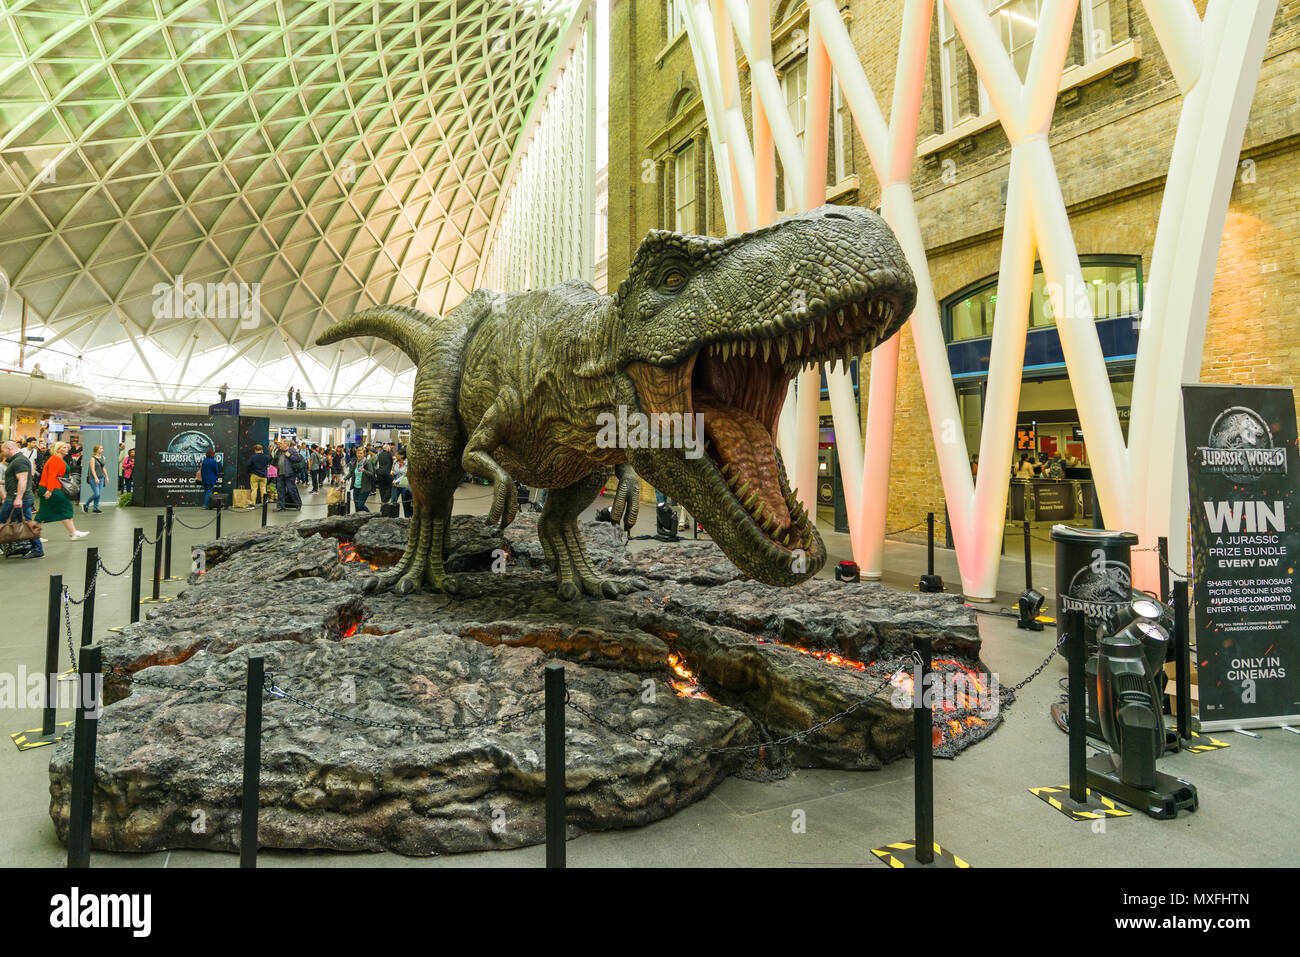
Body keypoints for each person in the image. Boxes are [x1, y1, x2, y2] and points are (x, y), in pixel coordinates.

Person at [0, 440, 43, 558]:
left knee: (2, 522)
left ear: (9, 448)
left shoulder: (19, 461)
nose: (2, 453)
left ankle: (37, 549)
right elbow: (16, 479)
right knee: (28, 524)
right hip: (20, 497)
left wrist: (18, 498)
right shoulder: (17, 460)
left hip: (17, 498)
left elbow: (23, 480)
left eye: (3, 450)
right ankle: (37, 549)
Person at [37, 442, 88, 540]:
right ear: (58, 449)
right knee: (66, 507)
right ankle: (73, 532)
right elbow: (52, 475)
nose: (67, 448)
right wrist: (50, 490)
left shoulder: (58, 459)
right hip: (52, 488)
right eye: (64, 447)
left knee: (44, 512)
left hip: (51, 487)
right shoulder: (56, 459)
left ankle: (35, 536)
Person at [274, 440, 301, 511]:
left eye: (281, 444)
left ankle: (298, 504)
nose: (280, 445)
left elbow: (298, 459)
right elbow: (276, 460)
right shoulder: (279, 451)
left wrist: (290, 456)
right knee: (280, 490)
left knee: (291, 490)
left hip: (289, 474)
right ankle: (280, 507)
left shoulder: (291, 450)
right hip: (280, 474)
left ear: (286, 444)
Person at [83, 444, 107, 513]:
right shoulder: (92, 458)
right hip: (93, 478)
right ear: (96, 450)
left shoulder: (103, 458)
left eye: (102, 448)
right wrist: (96, 478)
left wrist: (106, 476)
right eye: (100, 448)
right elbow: (92, 469)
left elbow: (103, 468)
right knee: (97, 494)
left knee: (99, 494)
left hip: (101, 478)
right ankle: (86, 504)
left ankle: (95, 508)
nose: (102, 450)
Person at [351, 447, 376, 512]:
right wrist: (344, 479)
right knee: (356, 505)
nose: (359, 455)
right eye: (358, 453)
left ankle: (370, 515)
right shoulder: (355, 462)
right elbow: (351, 472)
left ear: (364, 454)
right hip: (356, 487)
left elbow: (371, 474)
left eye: (361, 453)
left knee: (360, 505)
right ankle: (358, 519)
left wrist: (364, 470)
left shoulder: (367, 463)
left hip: (364, 488)